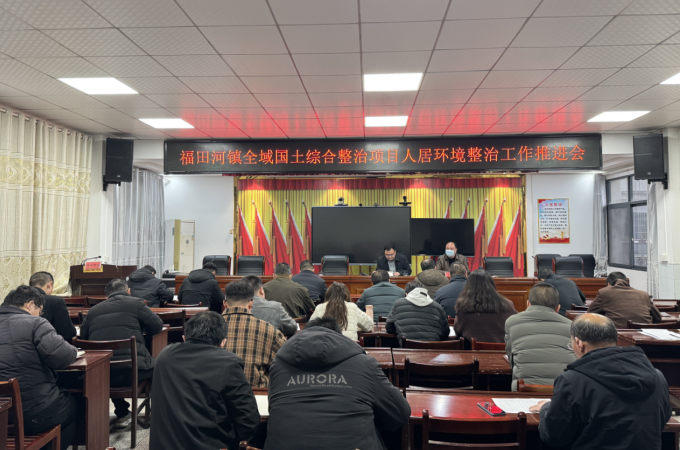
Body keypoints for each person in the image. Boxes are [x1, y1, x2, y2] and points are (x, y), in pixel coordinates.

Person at [266, 317, 411, 450]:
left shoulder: (278, 366)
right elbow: (400, 414)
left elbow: (273, 409)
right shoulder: (365, 364)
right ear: (339, 338)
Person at [530, 314, 671, 450]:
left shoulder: (572, 380)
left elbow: (554, 436)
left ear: (579, 343)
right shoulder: (657, 376)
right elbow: (664, 418)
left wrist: (546, 409)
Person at [150, 311, 260, 450]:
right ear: (223, 342)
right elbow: (248, 418)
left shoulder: (164, 355)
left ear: (184, 338)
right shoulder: (228, 362)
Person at [0, 286, 79, 450]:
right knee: (75, 406)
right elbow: (63, 357)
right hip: (31, 413)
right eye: (40, 311)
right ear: (30, 305)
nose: (40, 315)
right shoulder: (35, 323)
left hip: (2, 413)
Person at [80, 278, 164, 428]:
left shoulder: (93, 311)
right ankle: (157, 413)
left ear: (106, 296)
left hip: (102, 374)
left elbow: (83, 337)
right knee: (161, 365)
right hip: (135, 371)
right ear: (128, 291)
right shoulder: (136, 303)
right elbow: (157, 326)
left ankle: (122, 412)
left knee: (112, 364)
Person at [504, 283, 575, 391]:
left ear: (528, 304)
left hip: (524, 390)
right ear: (558, 308)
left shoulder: (511, 322)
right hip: (563, 391)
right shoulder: (572, 326)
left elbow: (512, 360)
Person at [222, 280, 286, 388]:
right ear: (251, 304)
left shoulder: (210, 327)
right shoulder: (268, 329)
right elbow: (287, 358)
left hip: (217, 393)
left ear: (225, 304)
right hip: (257, 393)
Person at [454, 270, 517, 343]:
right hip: (503, 349)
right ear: (491, 285)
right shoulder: (507, 304)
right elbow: (515, 326)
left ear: (468, 286)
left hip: (472, 349)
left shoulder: (463, 307)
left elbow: (457, 331)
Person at [588, 271, 661, 328]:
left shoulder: (604, 292)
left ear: (608, 284)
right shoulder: (643, 294)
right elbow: (658, 318)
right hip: (646, 335)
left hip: (618, 336)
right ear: (626, 282)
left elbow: (590, 314)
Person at [385, 280, 449, 344]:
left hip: (407, 348)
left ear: (406, 294)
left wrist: (401, 330)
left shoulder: (398, 304)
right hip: (432, 348)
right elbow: (445, 333)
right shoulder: (438, 307)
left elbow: (389, 327)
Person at [28, 271, 76, 343]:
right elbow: (68, 334)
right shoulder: (55, 301)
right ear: (49, 285)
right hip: (48, 346)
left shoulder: (19, 300)